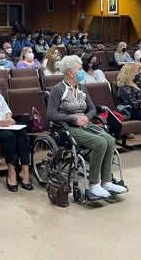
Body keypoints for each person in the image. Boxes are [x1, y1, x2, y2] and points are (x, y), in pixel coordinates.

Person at [46, 56, 128, 198]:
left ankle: (106, 181)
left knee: (109, 140)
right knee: (100, 143)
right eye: (80, 69)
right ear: (71, 72)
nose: (82, 71)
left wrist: (86, 117)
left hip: (84, 124)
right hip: (66, 127)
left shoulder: (82, 87)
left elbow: (92, 109)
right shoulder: (58, 89)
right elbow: (51, 114)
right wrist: (73, 119)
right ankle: (94, 184)